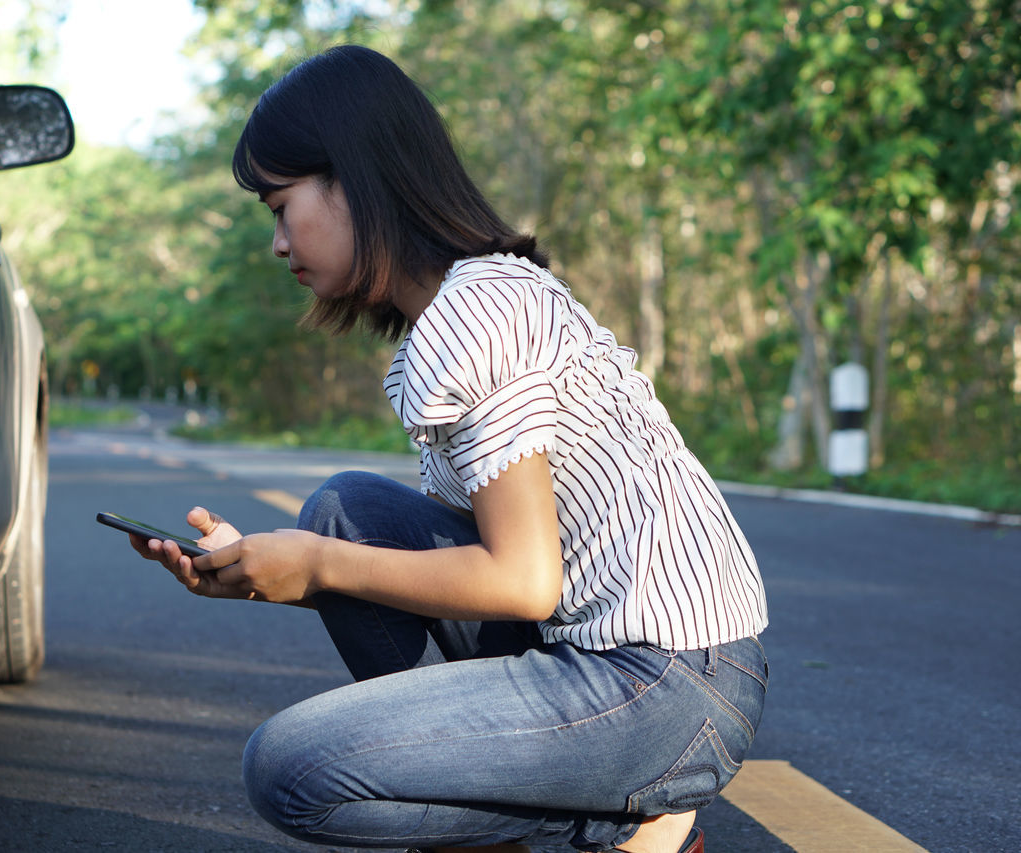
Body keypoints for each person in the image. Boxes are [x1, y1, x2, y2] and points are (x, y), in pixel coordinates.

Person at [129, 45, 769, 853]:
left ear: (355, 178)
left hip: (663, 684)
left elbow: (521, 579)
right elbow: (451, 571)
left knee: (289, 768)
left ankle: (640, 818)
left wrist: (318, 564)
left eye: (279, 206)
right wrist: (266, 567)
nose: (278, 242)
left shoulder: (475, 316)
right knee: (346, 511)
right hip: (648, 667)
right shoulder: (475, 298)